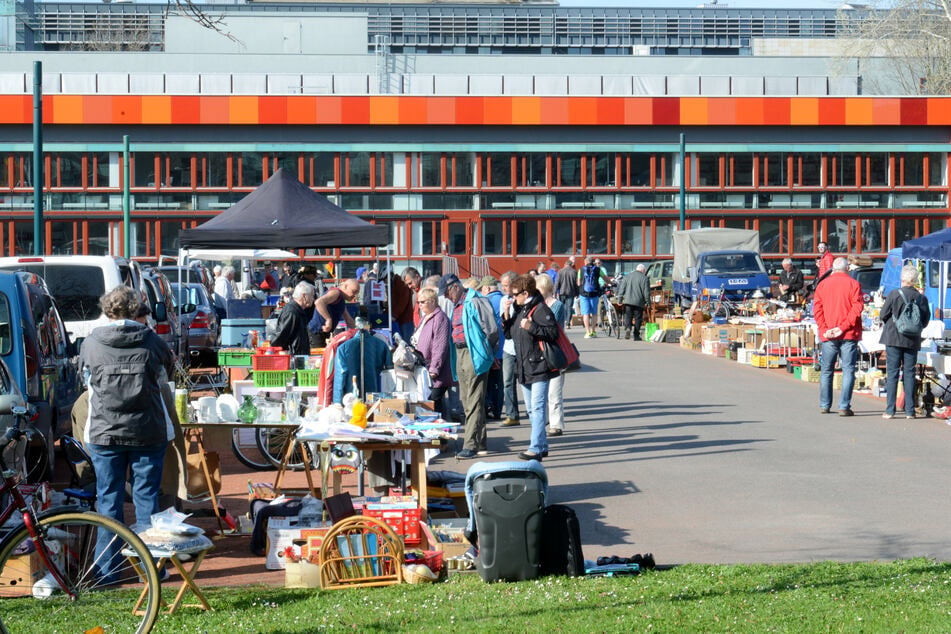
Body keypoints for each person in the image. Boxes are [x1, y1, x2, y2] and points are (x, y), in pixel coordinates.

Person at [79, 286, 173, 580]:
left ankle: (107, 571)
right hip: (148, 431)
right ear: (136, 310)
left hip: (105, 432)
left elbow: (87, 383)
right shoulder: (152, 341)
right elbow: (164, 377)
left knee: (108, 500)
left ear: (107, 310)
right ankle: (151, 569)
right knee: (147, 500)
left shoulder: (91, 343)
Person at [439, 273, 499, 459]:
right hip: (460, 353)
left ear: (455, 287)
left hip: (474, 353)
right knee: (466, 400)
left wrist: (485, 352)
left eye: (447, 293)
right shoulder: (457, 304)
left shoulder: (475, 301)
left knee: (473, 401)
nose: (446, 297)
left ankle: (470, 445)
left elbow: (492, 330)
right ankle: (480, 442)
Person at [502, 274, 559, 461]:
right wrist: (506, 316)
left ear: (525, 293)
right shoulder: (520, 309)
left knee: (537, 407)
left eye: (515, 294)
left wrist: (532, 327)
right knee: (532, 410)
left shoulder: (540, 309)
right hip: (525, 366)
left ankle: (535, 447)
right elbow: (510, 335)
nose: (512, 297)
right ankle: (542, 445)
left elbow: (552, 333)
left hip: (539, 365)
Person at [813, 257, 864, 416]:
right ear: (847, 268)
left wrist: (825, 328)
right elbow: (857, 309)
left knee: (827, 370)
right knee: (848, 370)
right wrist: (842, 327)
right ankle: (844, 405)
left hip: (829, 334)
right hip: (848, 333)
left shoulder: (822, 285)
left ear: (833, 269)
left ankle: (825, 404)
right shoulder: (854, 284)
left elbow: (817, 310)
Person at [879, 265, 931, 419]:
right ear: (915, 280)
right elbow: (925, 320)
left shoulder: (894, 294)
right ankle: (910, 411)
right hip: (912, 340)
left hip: (893, 337)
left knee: (893, 372)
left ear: (902, 279)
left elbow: (883, 314)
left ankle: (890, 410)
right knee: (909, 373)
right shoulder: (922, 298)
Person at [410, 287, 452, 419]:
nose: (419, 305)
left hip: (436, 370)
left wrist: (435, 368)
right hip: (424, 367)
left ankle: (441, 432)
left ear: (433, 301)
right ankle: (441, 432)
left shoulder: (440, 318)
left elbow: (440, 346)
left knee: (434, 401)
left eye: (422, 302)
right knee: (433, 402)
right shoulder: (425, 317)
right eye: (418, 302)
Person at [535, 274, 567, 437]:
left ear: (547, 289)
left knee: (554, 391)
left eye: (539, 289)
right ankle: (542, 420)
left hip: (554, 351)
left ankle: (556, 424)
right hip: (537, 352)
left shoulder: (557, 305)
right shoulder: (535, 305)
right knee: (540, 391)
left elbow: (552, 327)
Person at [498, 271, 522, 428]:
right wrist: (506, 310)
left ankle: (535, 412)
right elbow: (505, 326)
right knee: (507, 381)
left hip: (522, 347)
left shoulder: (522, 299)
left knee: (527, 381)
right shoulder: (503, 300)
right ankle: (512, 414)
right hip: (508, 347)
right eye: (503, 285)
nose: (505, 288)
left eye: (507, 285)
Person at [480, 275, 504, 421]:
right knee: (500, 383)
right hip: (505, 349)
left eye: (482, 290)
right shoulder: (505, 299)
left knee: (489, 382)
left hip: (491, 348)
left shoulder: (486, 302)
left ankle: (489, 407)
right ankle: (498, 411)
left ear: (487, 288)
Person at [308, 278, 359, 348]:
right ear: (345, 286)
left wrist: (360, 330)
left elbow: (348, 320)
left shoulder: (341, 299)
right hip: (316, 332)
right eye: (354, 291)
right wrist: (328, 319)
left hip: (324, 333)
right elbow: (319, 302)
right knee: (318, 357)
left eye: (356, 293)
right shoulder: (336, 293)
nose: (354, 296)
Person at [270, 282, 315, 355]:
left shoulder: (299, 310)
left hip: (299, 355)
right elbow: (281, 337)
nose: (313, 299)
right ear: (304, 296)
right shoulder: (292, 312)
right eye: (312, 296)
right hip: (293, 357)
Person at [616, 263, 651, 341]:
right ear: (643, 270)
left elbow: (622, 289)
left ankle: (628, 328)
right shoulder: (644, 278)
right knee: (638, 318)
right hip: (639, 302)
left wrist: (620, 299)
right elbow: (646, 292)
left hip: (628, 301)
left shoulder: (627, 276)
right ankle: (636, 335)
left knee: (628, 316)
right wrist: (648, 303)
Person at [577, 255, 607, 338]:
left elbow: (578, 283)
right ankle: (593, 331)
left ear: (585, 262)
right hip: (594, 293)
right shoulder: (598, 269)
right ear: (592, 262)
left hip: (584, 294)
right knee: (594, 313)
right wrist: (610, 283)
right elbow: (605, 278)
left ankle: (587, 332)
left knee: (585, 313)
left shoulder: (581, 270)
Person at [554, 256, 579, 329]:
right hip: (571, 292)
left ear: (565, 265)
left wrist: (555, 292)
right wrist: (577, 293)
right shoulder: (574, 272)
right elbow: (576, 284)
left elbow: (557, 282)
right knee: (569, 307)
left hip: (562, 292)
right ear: (571, 265)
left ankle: (562, 321)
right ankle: (568, 323)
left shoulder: (560, 271)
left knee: (562, 307)